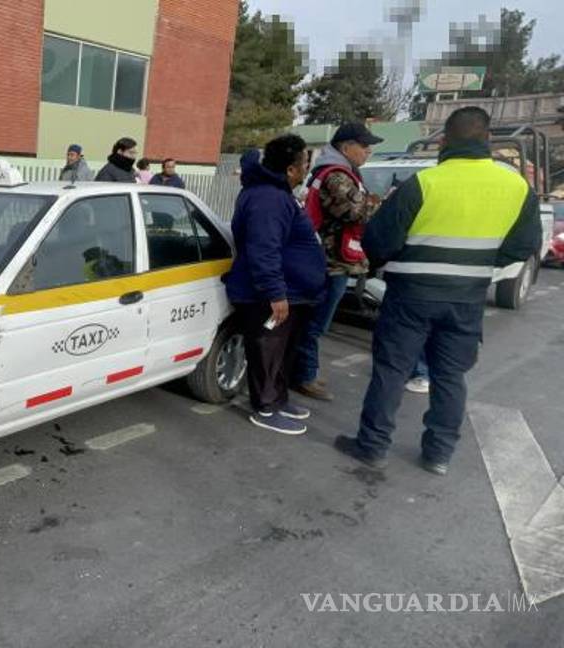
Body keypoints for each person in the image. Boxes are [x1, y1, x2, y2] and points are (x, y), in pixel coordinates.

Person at [334, 107, 543, 475]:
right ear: (488, 140)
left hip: (410, 293)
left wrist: (395, 262)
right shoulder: (516, 187)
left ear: (445, 141)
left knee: (392, 370)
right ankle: (439, 454)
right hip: (466, 297)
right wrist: (480, 265)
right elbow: (524, 244)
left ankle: (372, 446)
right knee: (449, 376)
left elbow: (379, 240)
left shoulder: (425, 183)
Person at [223, 134, 327, 435]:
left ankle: (278, 399)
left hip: (291, 292)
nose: (307, 169)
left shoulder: (278, 194)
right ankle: (265, 407)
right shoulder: (268, 198)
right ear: (292, 170)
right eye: (304, 164)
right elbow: (263, 249)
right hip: (270, 295)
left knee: (282, 352)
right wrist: (275, 293)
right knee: (268, 350)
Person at [291, 123, 383, 402]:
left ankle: (306, 370)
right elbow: (353, 212)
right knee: (316, 323)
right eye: (363, 145)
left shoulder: (340, 172)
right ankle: (303, 375)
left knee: (315, 322)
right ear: (345, 147)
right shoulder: (337, 176)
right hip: (331, 261)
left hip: (332, 259)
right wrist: (376, 202)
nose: (368, 151)